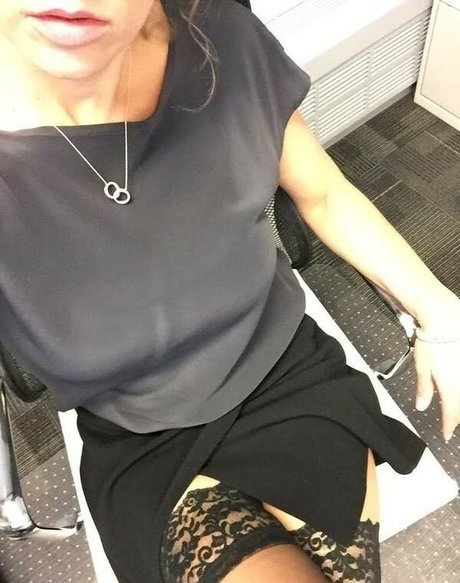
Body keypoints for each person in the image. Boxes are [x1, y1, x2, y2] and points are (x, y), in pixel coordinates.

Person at [0, 0, 458, 582]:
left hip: (283, 371)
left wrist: (442, 314)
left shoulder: (219, 38)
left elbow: (323, 193)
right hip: (140, 432)